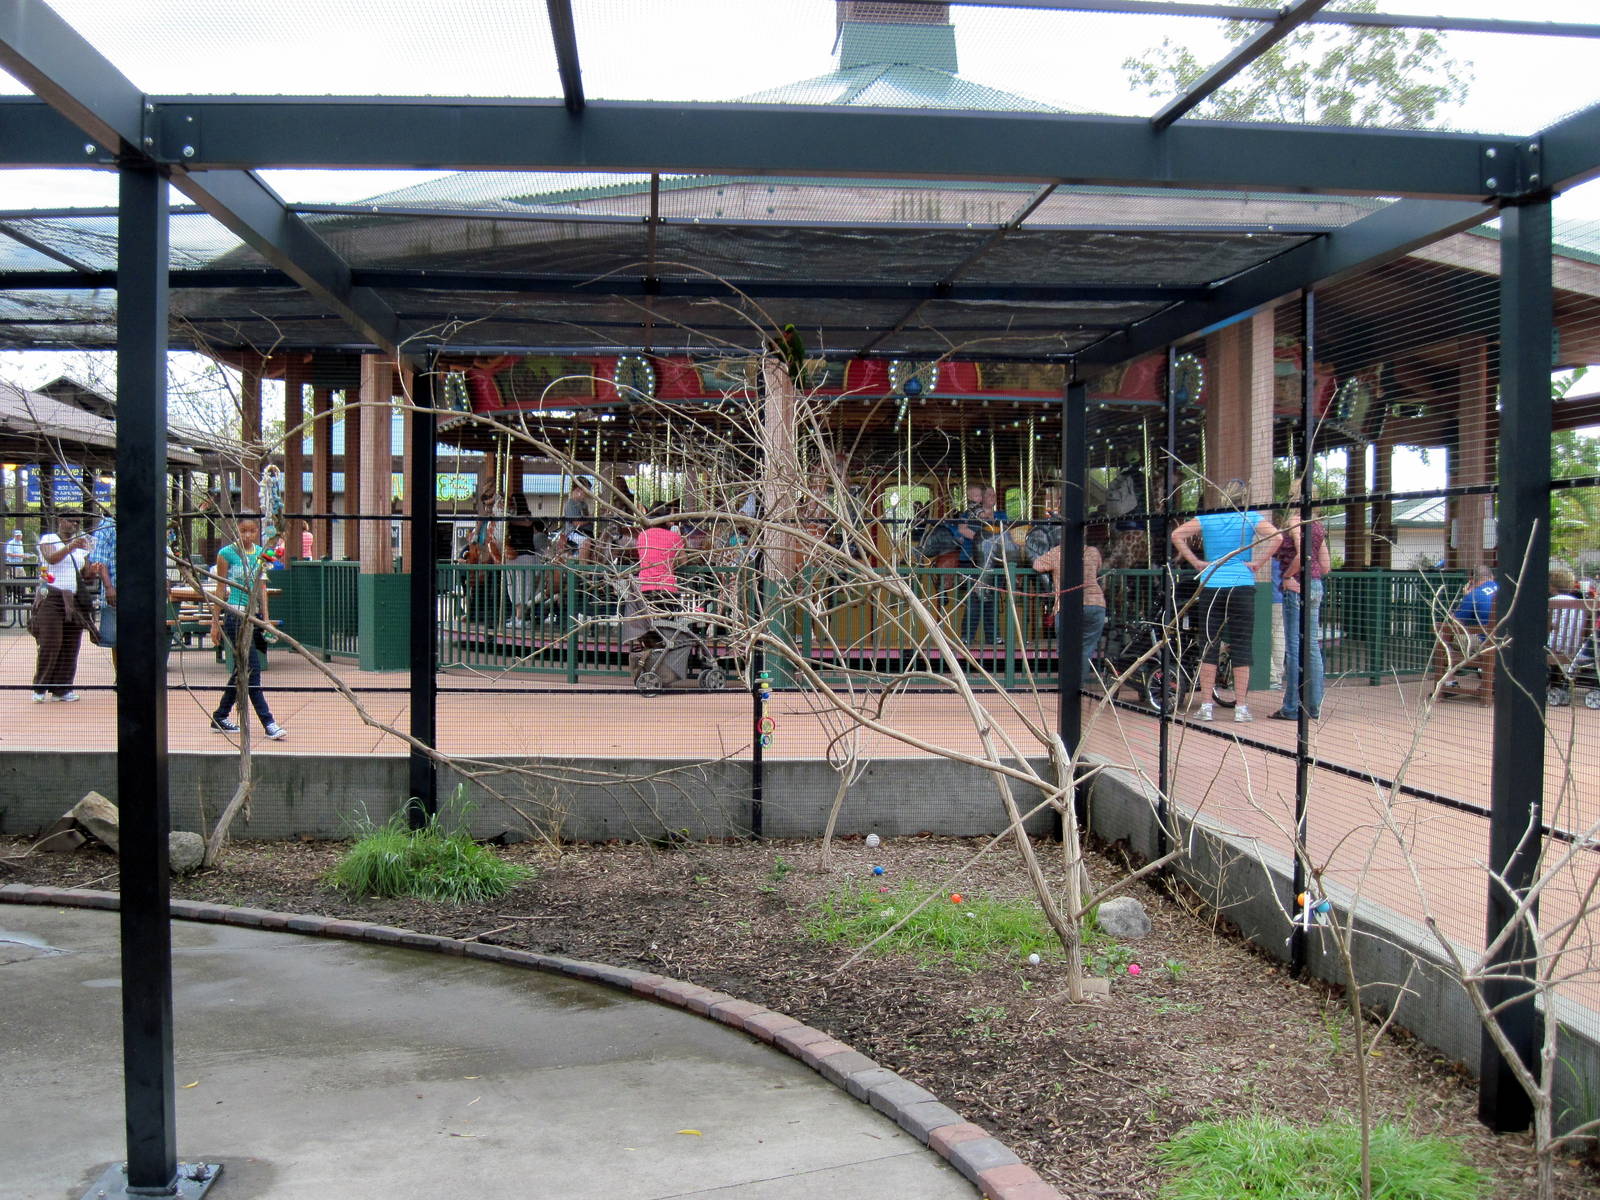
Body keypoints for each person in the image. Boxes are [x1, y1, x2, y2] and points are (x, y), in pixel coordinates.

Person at [1169, 479, 1280, 723]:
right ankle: (1241, 707)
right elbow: (1277, 538)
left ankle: (1206, 705)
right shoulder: (1250, 517)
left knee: (1209, 644)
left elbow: (1177, 534)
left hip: (1212, 584)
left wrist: (1196, 562)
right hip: (1241, 584)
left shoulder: (1207, 519)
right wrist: (1258, 563)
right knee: (1242, 644)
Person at [208, 517, 286, 740]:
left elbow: (262, 587)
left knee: (242, 670)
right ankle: (268, 722)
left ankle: (220, 715)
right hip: (234, 614)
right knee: (252, 669)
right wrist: (216, 622)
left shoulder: (264, 553)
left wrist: (266, 620)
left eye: (252, 531)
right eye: (243, 531)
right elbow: (220, 588)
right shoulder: (226, 554)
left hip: (253, 616)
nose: (248, 536)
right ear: (237, 531)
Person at [1270, 506, 1331, 722]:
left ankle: (1292, 707)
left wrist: (1287, 576)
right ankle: (1313, 707)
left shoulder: (1297, 523)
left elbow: (1302, 556)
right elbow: (1325, 566)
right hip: (1315, 586)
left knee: (1295, 648)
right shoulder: (1317, 528)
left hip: (1297, 586)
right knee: (1312, 646)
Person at [1031, 534, 1105, 688]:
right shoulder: (1092, 551)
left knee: (1066, 648)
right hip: (1095, 604)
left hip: (1067, 605)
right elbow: (1098, 567)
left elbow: (1037, 565)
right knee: (1085, 648)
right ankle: (1078, 686)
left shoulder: (1057, 552)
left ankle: (1067, 685)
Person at [32, 514, 92, 702]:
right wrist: (70, 547)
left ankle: (62, 688)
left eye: (77, 522)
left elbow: (86, 573)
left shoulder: (81, 545)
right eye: (71, 520)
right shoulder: (49, 539)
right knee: (51, 642)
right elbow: (51, 558)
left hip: (72, 598)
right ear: (60, 520)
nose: (74, 524)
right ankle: (40, 687)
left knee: (71, 645)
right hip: (51, 596)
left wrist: (94, 569)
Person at [1427, 564, 1497, 691]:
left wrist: (1466, 597)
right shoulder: (1505, 590)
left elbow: (1454, 624)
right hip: (1509, 641)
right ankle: (1490, 682)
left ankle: (1449, 683)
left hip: (1487, 644)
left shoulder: (1474, 595)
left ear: (1472, 580)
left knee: (1443, 636)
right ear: (1492, 577)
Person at [955, 483, 1008, 645]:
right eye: (989, 495)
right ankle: (967, 636)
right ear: (980, 498)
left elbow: (1005, 531)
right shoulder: (970, 514)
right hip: (974, 561)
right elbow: (962, 529)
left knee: (991, 600)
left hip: (994, 562)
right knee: (975, 600)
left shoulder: (1000, 515)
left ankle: (993, 636)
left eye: (994, 495)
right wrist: (982, 537)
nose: (993, 497)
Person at [83, 511, 117, 671]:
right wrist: (109, 587)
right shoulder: (107, 525)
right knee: (116, 639)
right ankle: (121, 678)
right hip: (115, 591)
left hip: (141, 591)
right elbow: (98, 560)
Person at [563, 477, 596, 564]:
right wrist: (591, 517)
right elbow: (577, 523)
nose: (587, 494)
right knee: (586, 542)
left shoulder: (583, 504)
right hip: (573, 533)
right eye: (586, 491)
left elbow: (586, 519)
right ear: (578, 490)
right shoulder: (571, 504)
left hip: (585, 532)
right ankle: (583, 568)